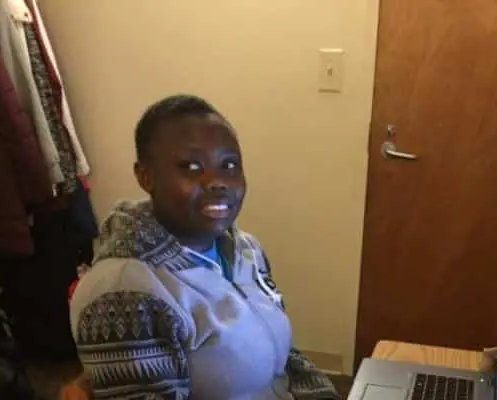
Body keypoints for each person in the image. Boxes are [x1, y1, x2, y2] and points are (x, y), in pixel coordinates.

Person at [68, 95, 340, 400]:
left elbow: (283, 357)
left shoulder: (245, 250)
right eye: (193, 166)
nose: (217, 181)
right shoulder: (125, 291)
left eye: (229, 165)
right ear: (145, 176)